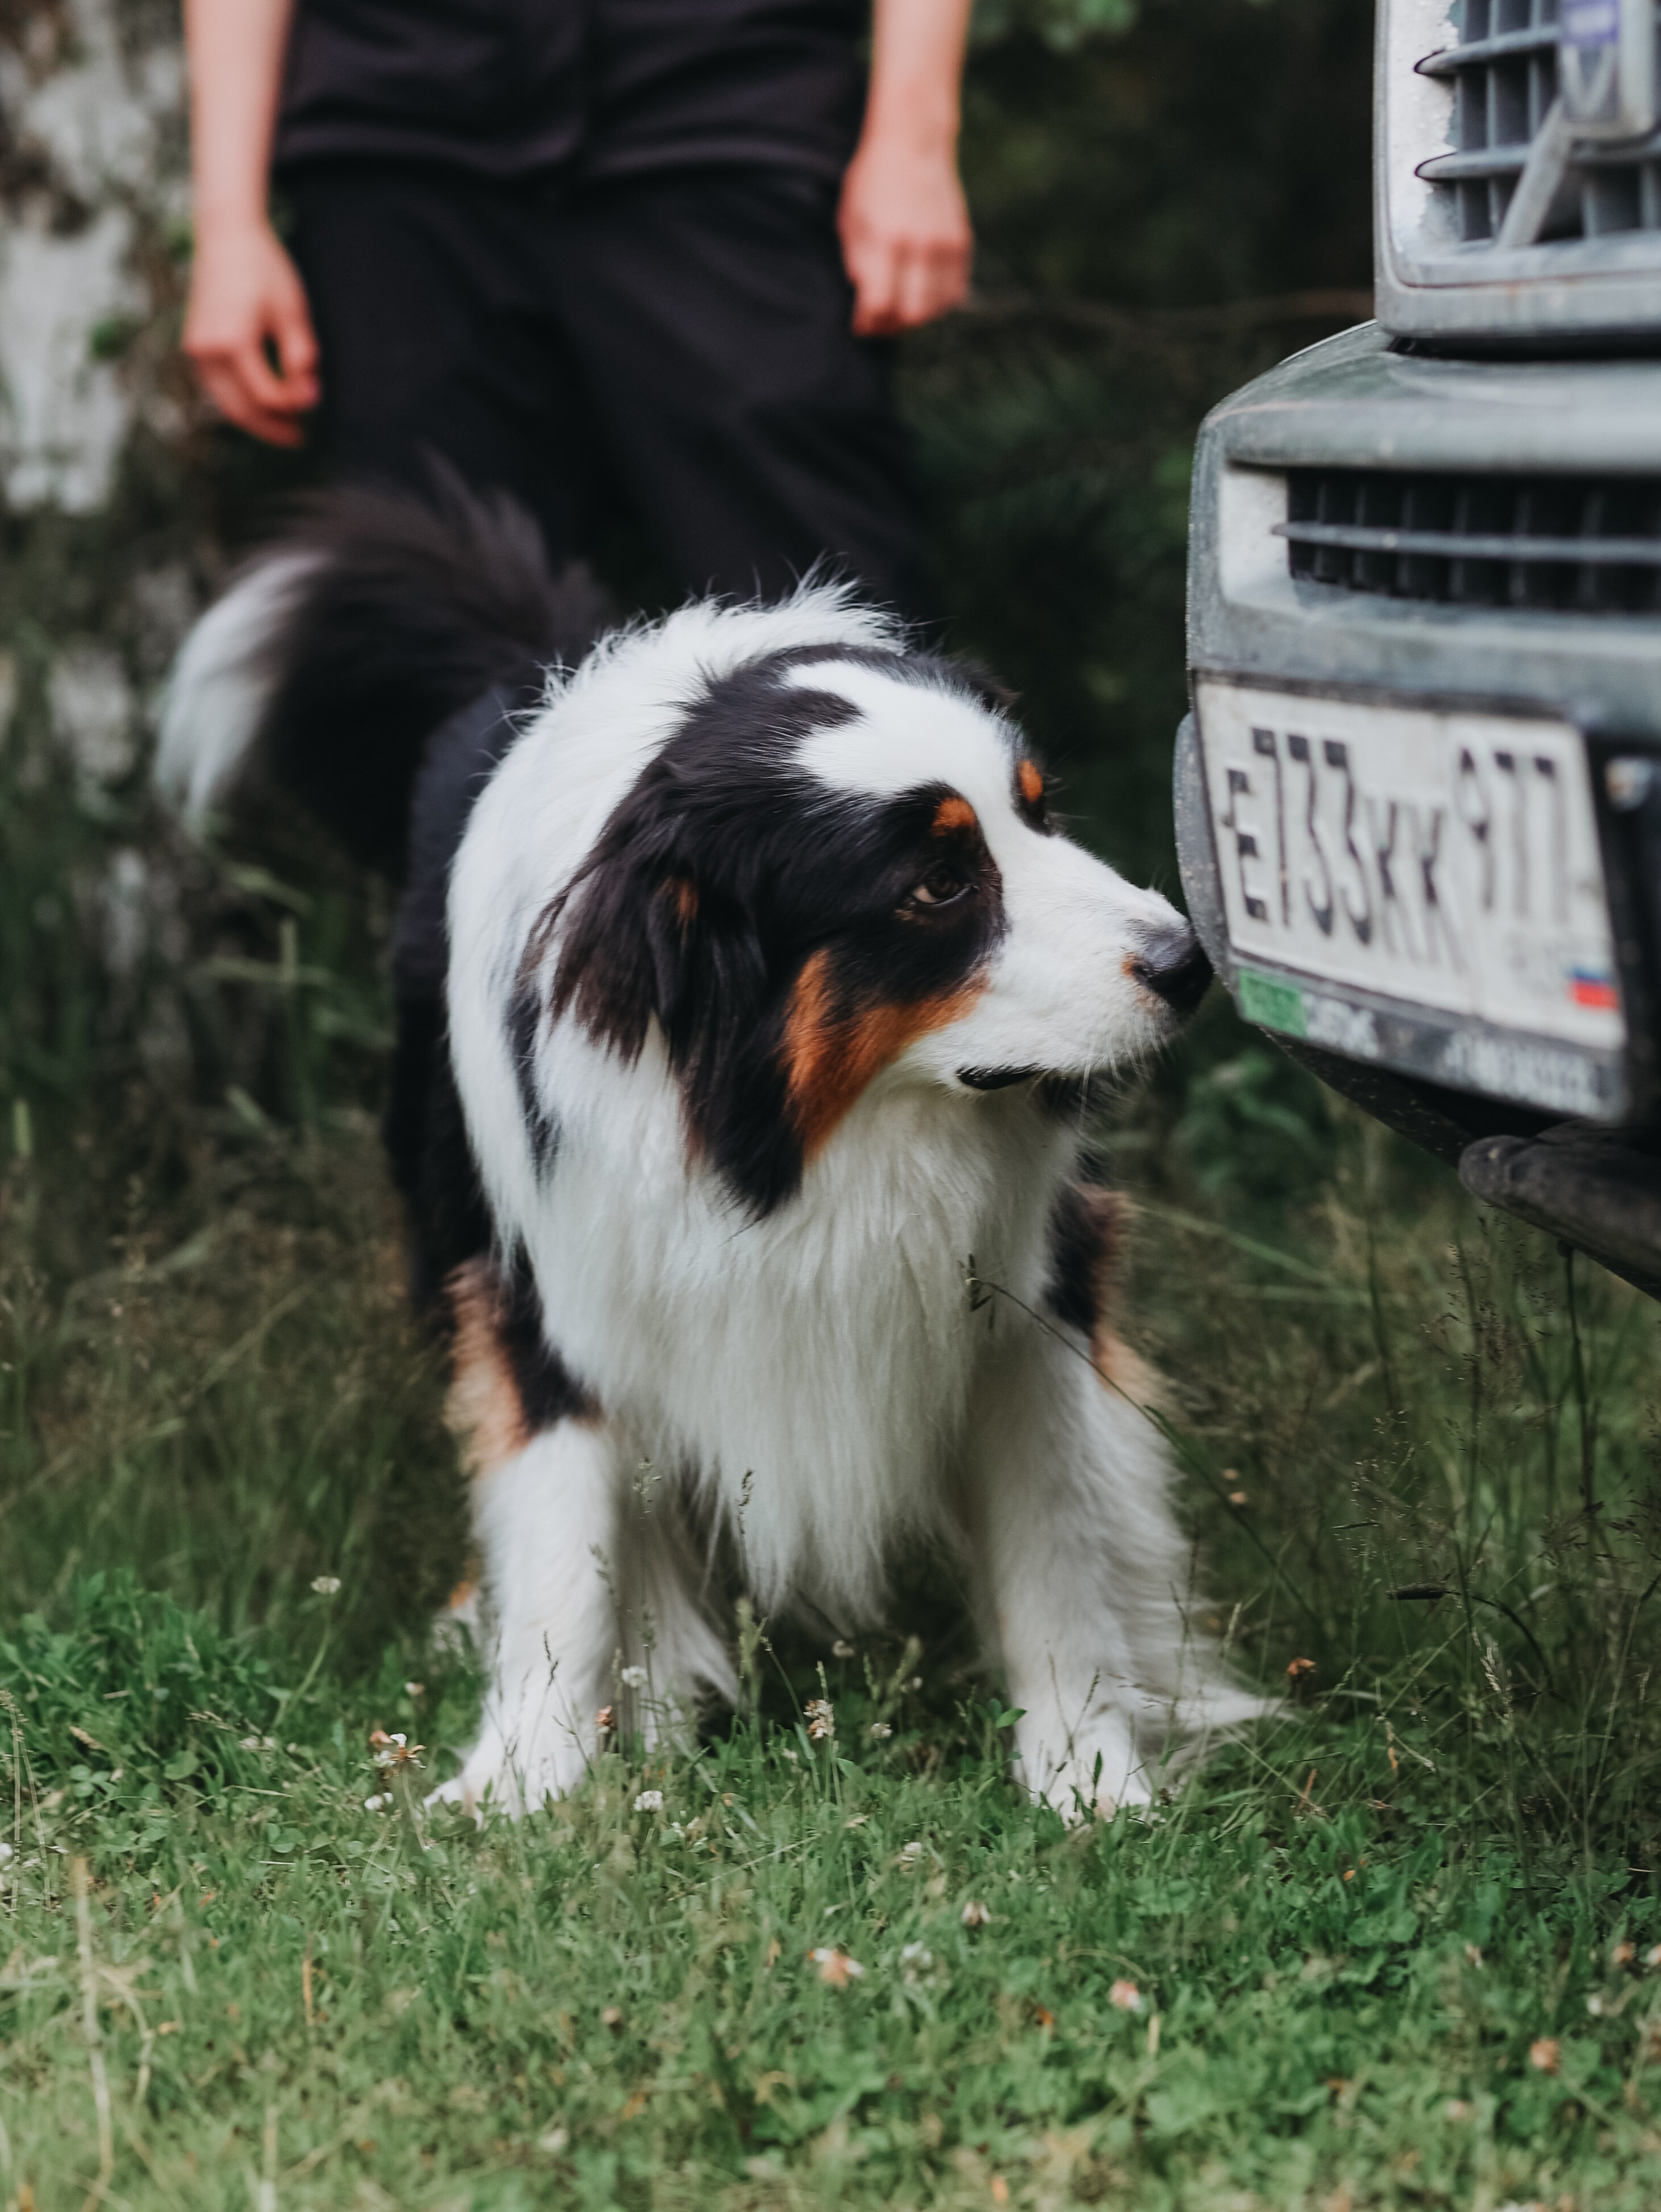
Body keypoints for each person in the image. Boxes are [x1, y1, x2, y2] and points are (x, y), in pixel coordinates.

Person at [180, 0, 976, 616]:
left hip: (724, 114)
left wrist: (912, 140)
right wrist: (229, 223)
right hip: (397, 139)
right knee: (437, 634)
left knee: (825, 616)